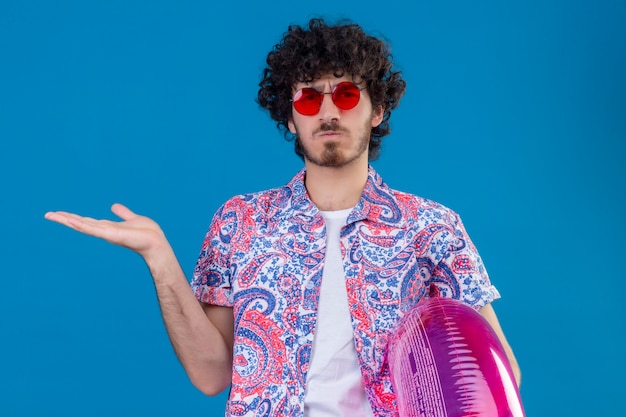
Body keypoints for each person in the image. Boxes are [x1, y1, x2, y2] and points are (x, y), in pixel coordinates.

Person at [45, 17, 521, 417]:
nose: (329, 111)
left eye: (348, 95)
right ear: (291, 118)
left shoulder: (432, 227)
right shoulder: (240, 222)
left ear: (377, 111)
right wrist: (160, 259)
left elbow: (500, 374)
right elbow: (212, 375)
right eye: (310, 98)